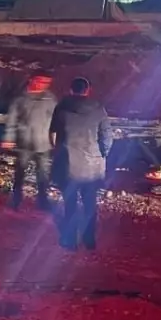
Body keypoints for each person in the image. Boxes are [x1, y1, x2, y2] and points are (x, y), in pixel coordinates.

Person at [49, 77, 113, 251]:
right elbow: (107, 137)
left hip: (68, 165)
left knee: (70, 204)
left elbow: (53, 135)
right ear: (88, 90)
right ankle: (89, 239)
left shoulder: (61, 108)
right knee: (90, 203)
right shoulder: (99, 109)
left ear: (71, 90)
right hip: (92, 166)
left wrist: (59, 152)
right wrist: (102, 154)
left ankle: (70, 240)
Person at [1, 74, 57, 210]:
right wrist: (9, 138)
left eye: (46, 82)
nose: (44, 85)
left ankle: (43, 201)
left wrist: (55, 139)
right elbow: (12, 120)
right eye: (41, 81)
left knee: (43, 174)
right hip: (24, 143)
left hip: (43, 143)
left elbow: (55, 120)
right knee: (20, 173)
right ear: (32, 80)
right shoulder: (20, 99)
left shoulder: (50, 99)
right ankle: (16, 199)